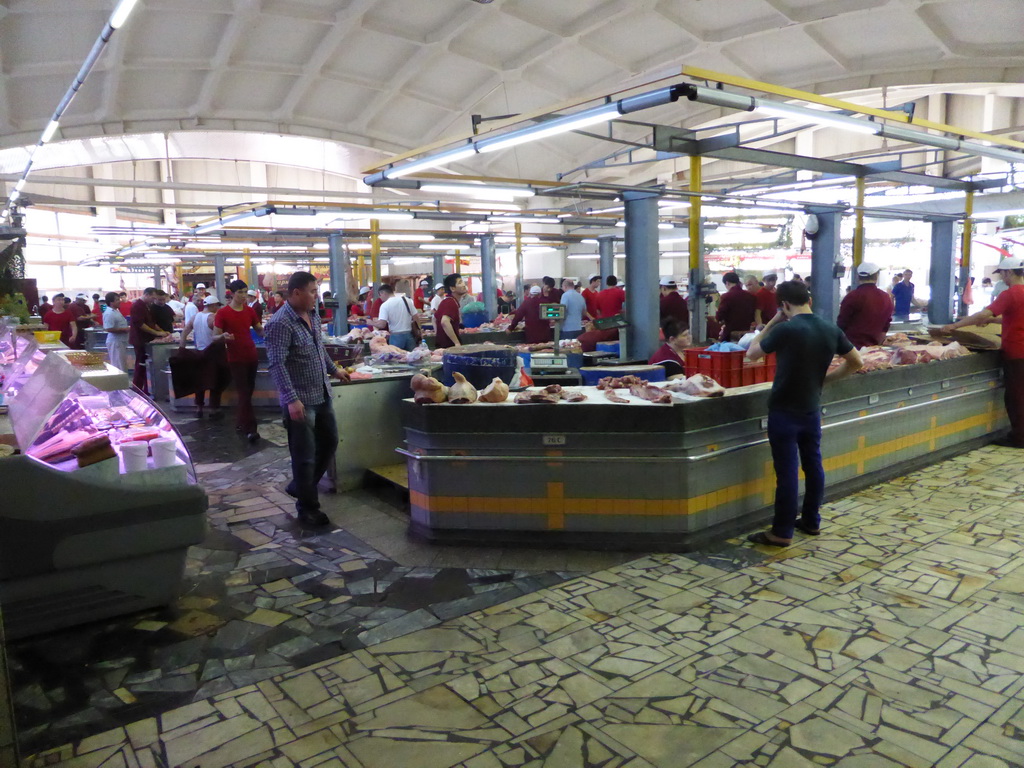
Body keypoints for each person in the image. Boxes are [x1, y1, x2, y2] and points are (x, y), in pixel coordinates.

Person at [745, 281, 863, 546]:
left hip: (784, 411)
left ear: (785, 304)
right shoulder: (830, 328)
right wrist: (825, 380)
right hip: (811, 410)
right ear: (808, 300)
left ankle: (781, 532)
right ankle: (811, 521)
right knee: (813, 465)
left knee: (787, 473)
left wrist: (774, 320)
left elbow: (751, 353)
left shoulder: (786, 328)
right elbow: (857, 361)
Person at [266, 271, 350, 527]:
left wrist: (334, 370)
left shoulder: (312, 314)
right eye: (313, 291)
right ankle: (307, 508)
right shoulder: (280, 323)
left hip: (321, 392)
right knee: (304, 455)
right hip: (300, 400)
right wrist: (291, 400)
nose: (317, 296)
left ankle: (300, 486)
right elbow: (276, 365)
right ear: (295, 293)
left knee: (330, 442)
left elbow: (318, 347)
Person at [942, 256, 1024, 447]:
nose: (1001, 278)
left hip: (1017, 353)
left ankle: (1019, 437)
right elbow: (1013, 318)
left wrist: (955, 326)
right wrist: (993, 321)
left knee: (1016, 396)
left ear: (1009, 272)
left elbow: (982, 314)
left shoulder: (1011, 294)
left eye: (1002, 274)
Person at [214, 279, 263, 442]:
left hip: (251, 355)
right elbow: (215, 336)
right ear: (232, 294)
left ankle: (241, 422)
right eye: (240, 292)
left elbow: (259, 330)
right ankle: (251, 428)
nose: (243, 295)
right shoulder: (222, 313)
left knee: (248, 391)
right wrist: (223, 336)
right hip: (235, 358)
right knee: (243, 391)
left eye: (245, 292)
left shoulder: (250, 311)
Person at [180, 295, 229, 419]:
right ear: (213, 306)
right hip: (213, 354)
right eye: (217, 305)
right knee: (216, 382)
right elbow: (217, 336)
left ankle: (199, 408)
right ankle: (213, 409)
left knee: (199, 383)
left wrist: (182, 348)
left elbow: (184, 332)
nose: (218, 308)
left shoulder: (195, 317)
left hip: (198, 352)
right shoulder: (213, 318)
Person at [836, 262, 894, 348]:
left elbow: (841, 323)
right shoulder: (885, 297)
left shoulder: (852, 296)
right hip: (874, 348)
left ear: (858, 277)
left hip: (851, 348)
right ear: (876, 276)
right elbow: (886, 325)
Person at [129, 288, 169, 393]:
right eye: (153, 297)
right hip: (140, 339)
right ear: (146, 294)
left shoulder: (146, 306)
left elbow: (150, 322)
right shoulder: (137, 306)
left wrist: (162, 331)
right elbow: (141, 324)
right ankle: (137, 388)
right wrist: (156, 333)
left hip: (146, 340)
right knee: (141, 364)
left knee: (145, 365)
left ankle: (147, 389)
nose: (153, 300)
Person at [376, 279, 419, 351]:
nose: (380, 298)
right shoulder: (406, 300)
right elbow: (416, 317)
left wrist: (369, 322)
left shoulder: (385, 305)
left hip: (396, 337)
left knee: (396, 359)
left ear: (383, 293)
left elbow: (382, 325)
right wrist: (419, 330)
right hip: (409, 335)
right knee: (413, 358)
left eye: (380, 295)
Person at [716, 271, 757, 341]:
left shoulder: (726, 296)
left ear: (727, 283)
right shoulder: (751, 296)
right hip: (747, 334)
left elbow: (719, 316)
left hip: (730, 334)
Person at [434, 274, 465, 348]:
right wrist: (457, 343)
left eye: (463, 281)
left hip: (443, 345)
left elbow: (434, 318)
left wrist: (437, 334)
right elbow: (444, 322)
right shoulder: (450, 302)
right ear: (452, 288)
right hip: (448, 346)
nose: (464, 284)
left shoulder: (449, 301)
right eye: (460, 282)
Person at [102, 291, 130, 371]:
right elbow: (108, 328)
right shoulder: (109, 313)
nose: (119, 301)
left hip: (121, 341)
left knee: (122, 363)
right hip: (116, 342)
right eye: (117, 300)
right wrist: (124, 329)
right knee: (118, 365)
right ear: (111, 302)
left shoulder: (116, 311)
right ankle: (119, 382)